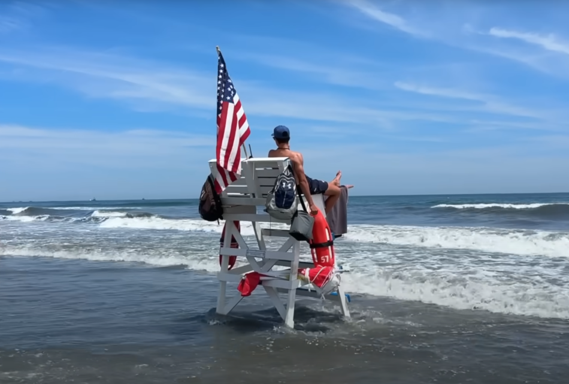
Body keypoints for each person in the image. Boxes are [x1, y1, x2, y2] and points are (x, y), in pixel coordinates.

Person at [267, 125, 352, 215]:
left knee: (321, 183)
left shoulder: (271, 153)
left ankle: (334, 182)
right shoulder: (296, 156)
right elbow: (303, 181)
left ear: (275, 140)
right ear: (289, 139)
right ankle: (321, 216)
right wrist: (311, 204)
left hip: (283, 186)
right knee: (337, 191)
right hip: (299, 187)